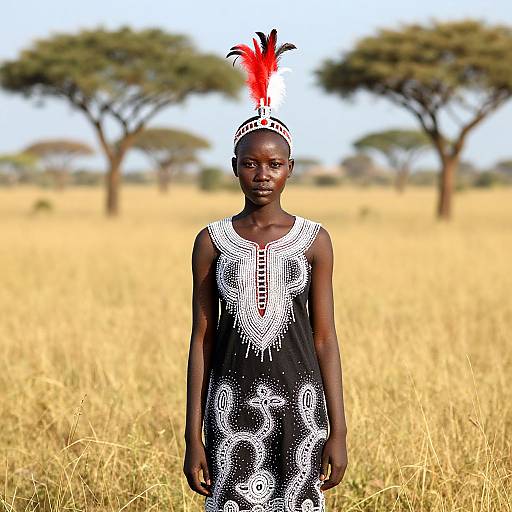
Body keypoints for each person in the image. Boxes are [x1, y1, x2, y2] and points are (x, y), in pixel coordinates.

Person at [183, 29, 348, 512]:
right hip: (228, 411)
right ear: (234, 167)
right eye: (251, 164)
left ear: (290, 168)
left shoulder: (315, 240)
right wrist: (193, 436)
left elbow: (325, 339)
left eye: (274, 164)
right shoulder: (212, 241)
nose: (262, 175)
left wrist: (338, 430)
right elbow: (202, 339)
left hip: (302, 411)